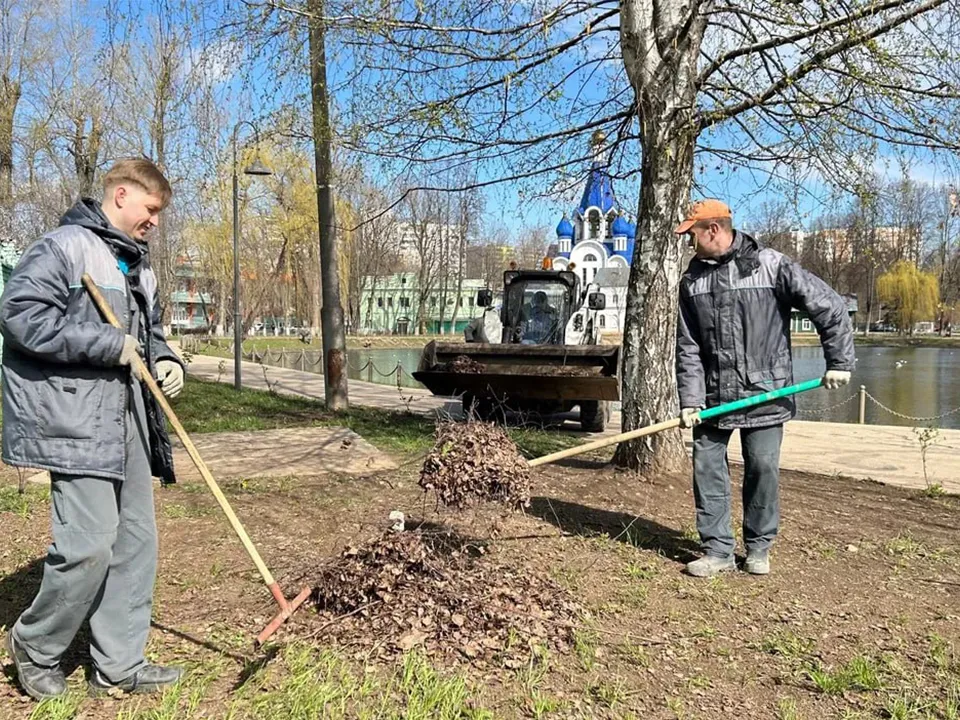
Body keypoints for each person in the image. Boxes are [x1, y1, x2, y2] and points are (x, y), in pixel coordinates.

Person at [0, 158, 186, 699]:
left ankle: (119, 665)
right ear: (121, 194)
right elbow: (20, 316)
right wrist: (107, 344)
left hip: (130, 417)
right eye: (150, 209)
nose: (154, 221)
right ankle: (35, 647)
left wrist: (166, 357)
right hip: (76, 421)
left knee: (135, 541)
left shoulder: (141, 268)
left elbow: (149, 335)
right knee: (89, 544)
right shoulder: (63, 247)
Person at [674, 199, 855, 578]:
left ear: (712, 229)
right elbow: (688, 347)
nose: (689, 241)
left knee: (762, 468)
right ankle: (717, 550)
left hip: (765, 393)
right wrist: (690, 400)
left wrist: (839, 362)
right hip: (712, 398)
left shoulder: (771, 266)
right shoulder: (692, 281)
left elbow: (830, 306)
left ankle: (758, 546)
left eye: (692, 233)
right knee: (706, 469)